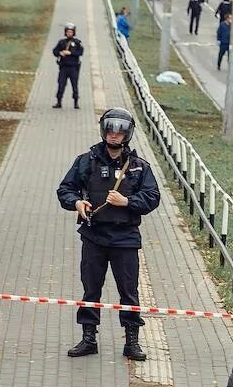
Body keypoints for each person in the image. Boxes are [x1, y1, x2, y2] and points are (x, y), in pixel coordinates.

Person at [56, 108, 161, 361]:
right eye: (111, 130)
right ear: (104, 130)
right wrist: (77, 204)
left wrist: (127, 202)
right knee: (91, 289)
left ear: (127, 134)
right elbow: (65, 189)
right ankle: (88, 337)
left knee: (129, 291)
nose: (114, 135)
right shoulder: (86, 161)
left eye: (120, 131)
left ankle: (132, 340)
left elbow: (152, 197)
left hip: (125, 238)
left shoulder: (138, 167)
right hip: (94, 236)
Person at [51, 22, 84, 110]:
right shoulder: (61, 42)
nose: (69, 33)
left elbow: (80, 52)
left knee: (74, 85)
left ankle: (76, 102)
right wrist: (60, 53)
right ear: (65, 32)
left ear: (73, 32)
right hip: (64, 67)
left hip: (73, 67)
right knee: (61, 84)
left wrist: (71, 53)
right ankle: (59, 102)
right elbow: (54, 51)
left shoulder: (77, 43)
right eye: (68, 32)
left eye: (71, 32)